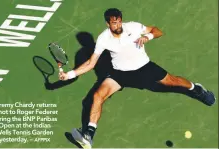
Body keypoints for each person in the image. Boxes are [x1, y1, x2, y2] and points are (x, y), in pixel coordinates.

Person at [59, 8, 216, 148]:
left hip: (144, 68)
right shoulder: (103, 39)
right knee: (97, 95)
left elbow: (157, 30)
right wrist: (69, 75)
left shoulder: (133, 27)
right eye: (114, 23)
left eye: (119, 21)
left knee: (173, 81)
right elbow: (91, 63)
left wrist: (148, 36)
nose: (118, 25)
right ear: (108, 24)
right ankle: (88, 135)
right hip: (120, 74)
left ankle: (196, 89)